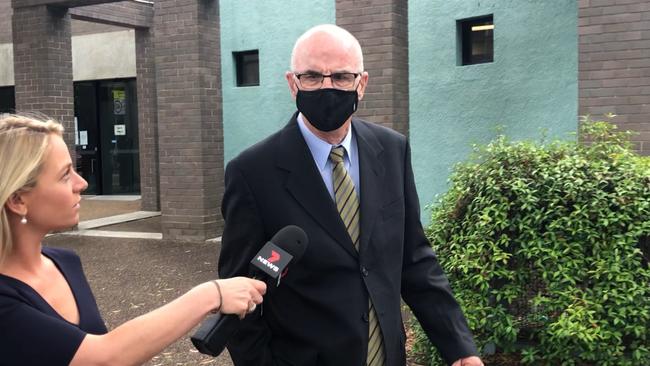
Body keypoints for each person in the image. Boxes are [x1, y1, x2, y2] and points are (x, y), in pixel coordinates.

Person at [218, 24, 483, 366]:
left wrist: (459, 347)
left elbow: (414, 259)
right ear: (291, 83)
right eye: (312, 76)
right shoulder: (252, 172)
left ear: (362, 84)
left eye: (342, 77)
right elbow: (239, 292)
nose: (327, 87)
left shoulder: (391, 151)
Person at [0, 114, 267, 366]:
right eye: (65, 174)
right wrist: (210, 294)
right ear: (17, 200)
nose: (81, 183)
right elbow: (104, 358)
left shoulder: (64, 262)